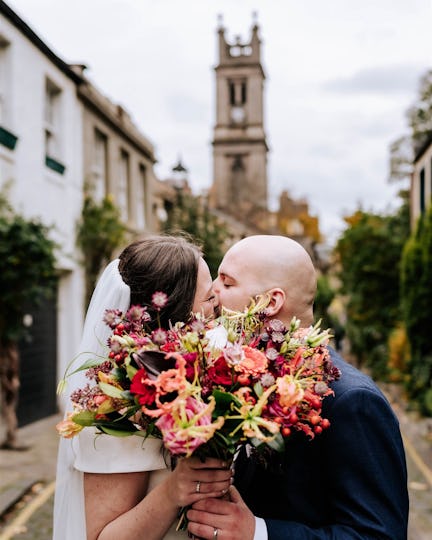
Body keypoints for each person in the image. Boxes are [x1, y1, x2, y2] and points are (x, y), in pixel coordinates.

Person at [187, 235, 409, 540]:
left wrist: (258, 533)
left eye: (227, 282)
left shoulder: (353, 402)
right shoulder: (245, 379)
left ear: (271, 302)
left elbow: (379, 535)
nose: (213, 292)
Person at [53, 235, 232, 540]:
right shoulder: (116, 409)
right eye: (209, 299)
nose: (219, 306)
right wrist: (173, 491)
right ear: (173, 316)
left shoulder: (194, 385)